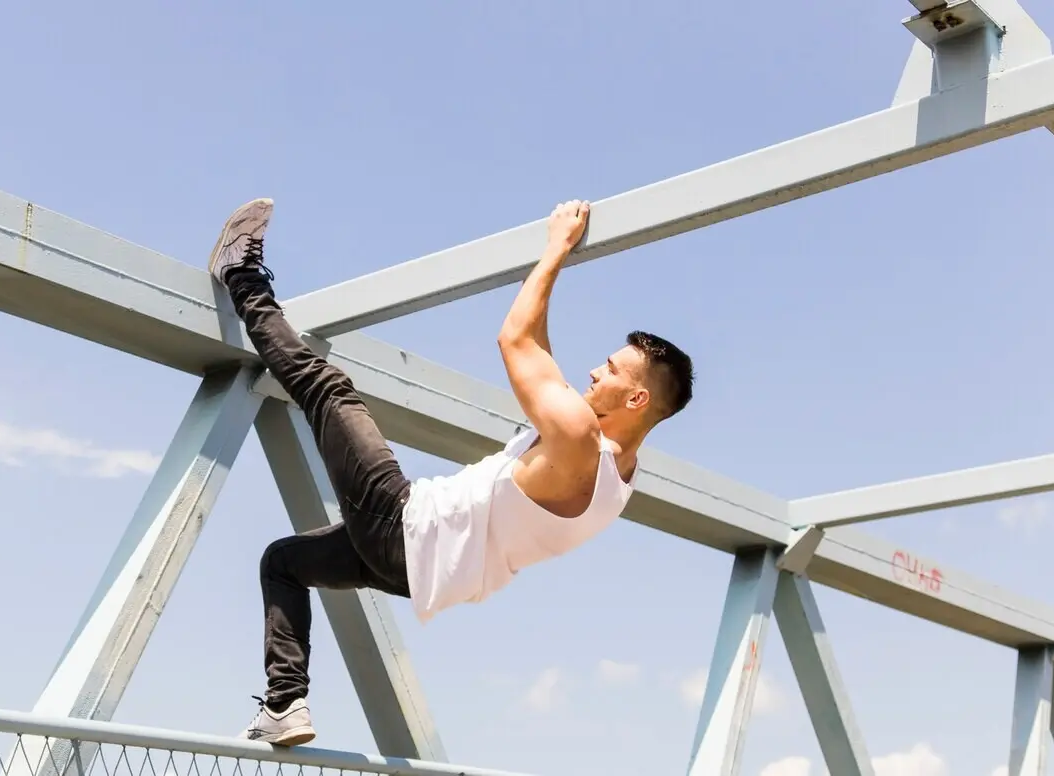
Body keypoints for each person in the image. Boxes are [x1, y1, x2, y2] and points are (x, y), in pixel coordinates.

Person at [209, 198, 694, 747]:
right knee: (283, 562)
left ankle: (239, 274)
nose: (593, 371)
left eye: (608, 370)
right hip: (419, 574)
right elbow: (548, 367)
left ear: (635, 396)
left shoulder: (580, 439)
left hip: (404, 524)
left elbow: (516, 340)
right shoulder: (619, 478)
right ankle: (283, 704)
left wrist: (556, 248)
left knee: (327, 388)